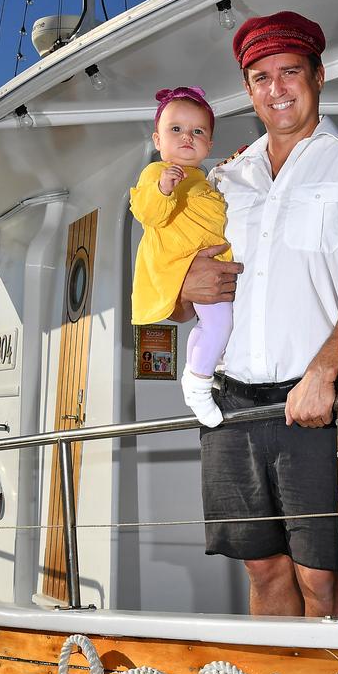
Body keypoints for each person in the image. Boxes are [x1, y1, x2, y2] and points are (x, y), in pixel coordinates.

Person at [171, 11, 338, 617]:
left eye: (290, 72)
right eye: (261, 76)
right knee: (263, 566)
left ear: (319, 76)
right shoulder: (224, 179)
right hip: (231, 401)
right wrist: (183, 288)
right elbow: (178, 299)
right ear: (248, 91)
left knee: (321, 576)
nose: (277, 88)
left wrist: (325, 372)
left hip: (315, 402)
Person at [129, 86, 231, 427]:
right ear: (157, 140)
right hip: (179, 266)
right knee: (219, 323)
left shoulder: (203, 181)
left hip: (206, 266)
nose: (187, 137)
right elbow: (147, 213)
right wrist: (162, 189)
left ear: (209, 145)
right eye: (176, 129)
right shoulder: (156, 174)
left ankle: (198, 371)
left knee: (213, 324)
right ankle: (198, 384)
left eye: (197, 131)